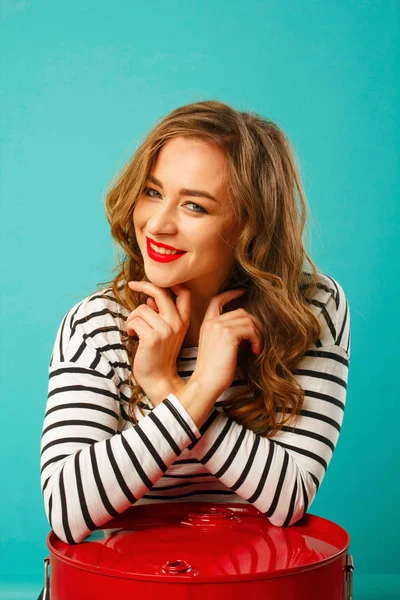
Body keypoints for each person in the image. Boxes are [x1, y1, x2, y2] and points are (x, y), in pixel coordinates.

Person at [38, 99, 350, 597]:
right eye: (152, 192)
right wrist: (196, 391)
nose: (157, 225)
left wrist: (166, 385)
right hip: (130, 584)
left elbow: (288, 496)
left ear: (247, 225)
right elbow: (69, 509)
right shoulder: (96, 324)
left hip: (255, 585)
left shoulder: (312, 309)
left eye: (194, 205)